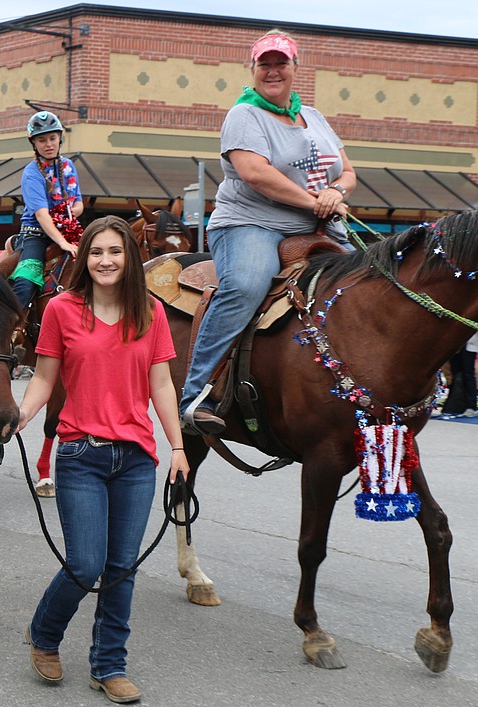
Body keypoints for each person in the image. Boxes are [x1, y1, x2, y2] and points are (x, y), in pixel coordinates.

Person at [16, 215, 190, 705]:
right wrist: (23, 415)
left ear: (129, 258)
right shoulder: (61, 310)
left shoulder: (151, 312)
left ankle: (109, 664)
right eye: (96, 252)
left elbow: (161, 385)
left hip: (136, 458)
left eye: (115, 251)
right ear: (84, 258)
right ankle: (45, 634)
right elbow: (45, 378)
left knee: (121, 568)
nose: (105, 260)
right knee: (85, 563)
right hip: (80, 453)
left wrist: (177, 447)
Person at [180, 30, 356, 435]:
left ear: (296, 68)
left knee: (375, 283)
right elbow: (255, 173)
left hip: (319, 227)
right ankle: (195, 395)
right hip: (251, 223)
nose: (273, 70)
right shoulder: (244, 115)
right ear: (253, 69)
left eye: (281, 63)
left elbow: (348, 172)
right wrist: (315, 202)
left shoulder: (314, 117)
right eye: (266, 63)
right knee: (244, 285)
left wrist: (335, 191)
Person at [9, 110, 84, 310]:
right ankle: (15, 328)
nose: (48, 144)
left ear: (60, 138)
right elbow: (41, 215)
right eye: (42, 140)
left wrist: (66, 218)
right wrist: (62, 242)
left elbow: (79, 205)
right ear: (34, 143)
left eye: (52, 138)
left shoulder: (68, 165)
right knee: (26, 281)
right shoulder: (31, 173)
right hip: (36, 234)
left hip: (68, 230)